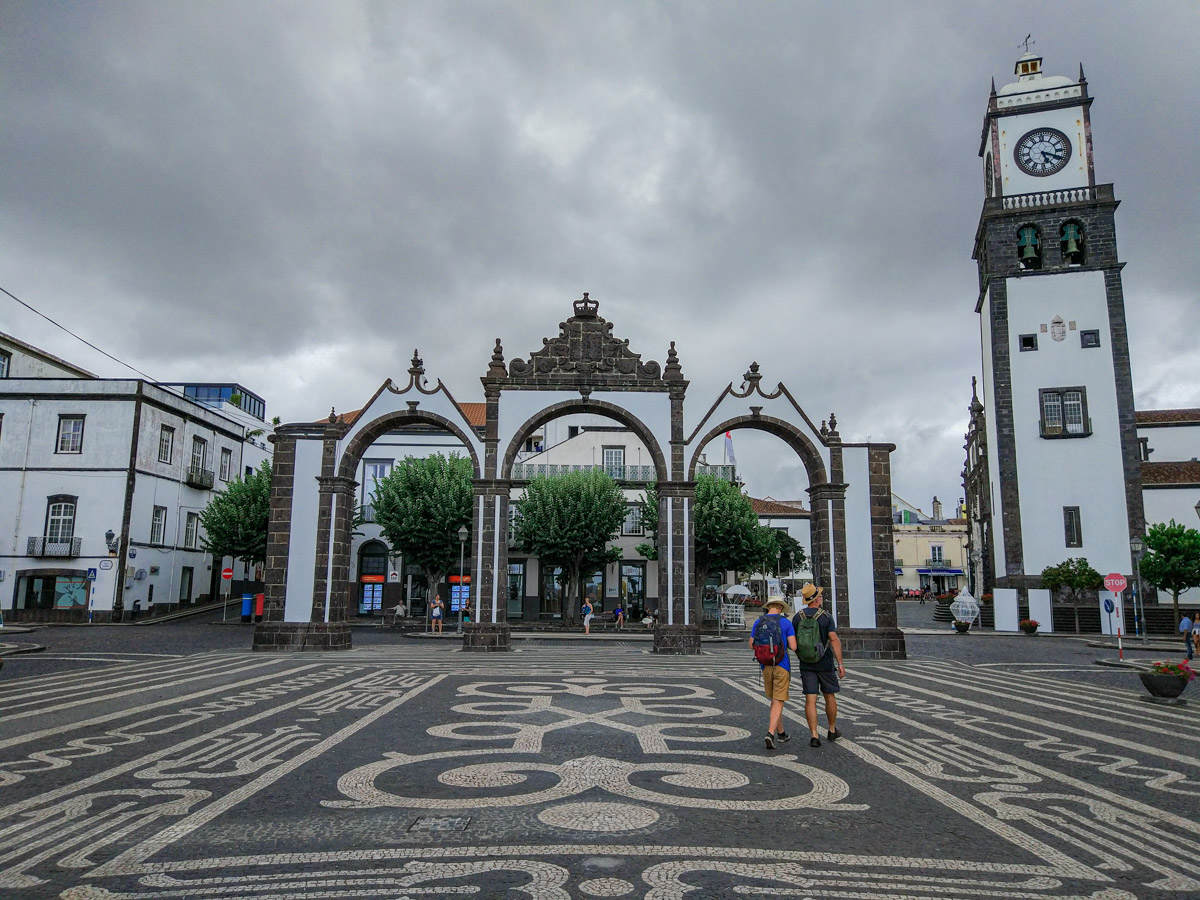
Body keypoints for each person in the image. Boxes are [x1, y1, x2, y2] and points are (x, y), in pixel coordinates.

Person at [791, 584, 846, 748]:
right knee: (829, 695)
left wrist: (802, 654)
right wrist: (840, 663)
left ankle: (814, 735)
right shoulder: (826, 617)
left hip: (806, 663)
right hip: (825, 662)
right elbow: (834, 639)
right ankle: (831, 729)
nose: (822, 598)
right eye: (820, 596)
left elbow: (792, 643)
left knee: (810, 698)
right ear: (817, 599)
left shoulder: (797, 617)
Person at [749, 597, 797, 749]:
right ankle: (770, 733)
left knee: (775, 699)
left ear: (768, 607)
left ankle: (781, 732)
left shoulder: (758, 622)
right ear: (781, 608)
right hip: (782, 665)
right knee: (779, 700)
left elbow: (751, 645)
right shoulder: (785, 623)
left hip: (766, 665)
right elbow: (794, 646)